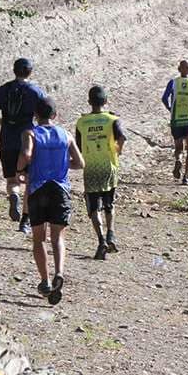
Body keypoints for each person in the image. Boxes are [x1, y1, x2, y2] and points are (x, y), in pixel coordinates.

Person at [16, 97, 84, 305]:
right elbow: (80, 163)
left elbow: (27, 155)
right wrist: (63, 164)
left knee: (39, 238)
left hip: (38, 189)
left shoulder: (31, 133)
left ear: (36, 116)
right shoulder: (66, 135)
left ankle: (44, 281)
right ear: (55, 115)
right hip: (60, 189)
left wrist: (19, 170)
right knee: (58, 237)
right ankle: (60, 272)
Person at [0, 58, 46, 235]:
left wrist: (2, 123)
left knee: (12, 180)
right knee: (28, 181)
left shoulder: (4, 89)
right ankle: (25, 221)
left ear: (14, 71)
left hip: (7, 139)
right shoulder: (36, 91)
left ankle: (14, 196)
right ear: (30, 72)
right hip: (27, 140)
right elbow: (45, 114)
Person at [76, 86, 127, 260]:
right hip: (109, 167)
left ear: (89, 102)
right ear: (105, 102)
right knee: (109, 203)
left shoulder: (81, 123)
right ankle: (111, 233)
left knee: (93, 207)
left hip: (90, 168)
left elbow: (79, 146)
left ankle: (101, 240)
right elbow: (122, 138)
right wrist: (116, 151)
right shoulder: (112, 120)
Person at [161, 60, 188, 185]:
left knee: (179, 148)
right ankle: (186, 177)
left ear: (179, 69)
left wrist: (170, 109)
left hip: (176, 120)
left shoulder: (173, 83)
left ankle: (178, 160)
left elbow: (164, 98)